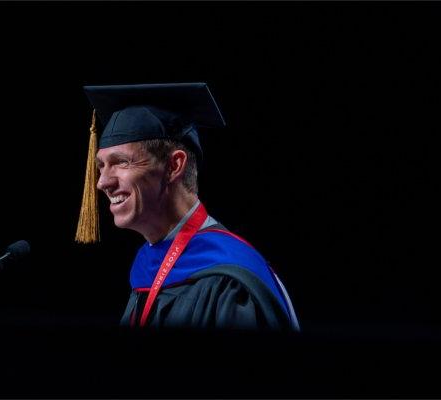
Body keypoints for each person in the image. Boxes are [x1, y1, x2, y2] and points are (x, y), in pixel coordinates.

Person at [75, 83, 299, 331]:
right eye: (102, 166)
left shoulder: (229, 280)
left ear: (174, 166)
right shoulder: (147, 271)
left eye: (121, 162)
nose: (102, 182)